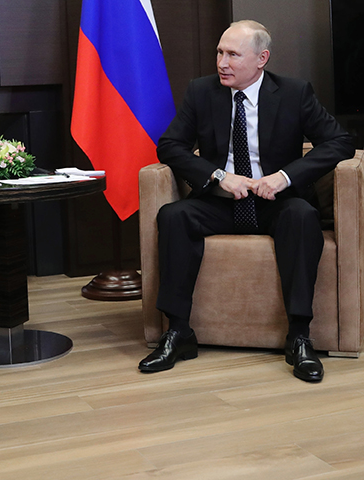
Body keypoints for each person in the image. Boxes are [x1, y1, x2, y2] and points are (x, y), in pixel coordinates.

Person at [138, 20, 355, 382]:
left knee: (302, 216)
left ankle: (299, 337)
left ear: (261, 59)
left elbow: (339, 142)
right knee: (173, 216)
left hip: (275, 202)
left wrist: (284, 177)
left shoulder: (293, 92)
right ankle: (178, 333)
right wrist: (218, 176)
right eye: (220, 52)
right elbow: (170, 145)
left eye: (233, 55)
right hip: (220, 202)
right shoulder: (201, 91)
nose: (222, 62)